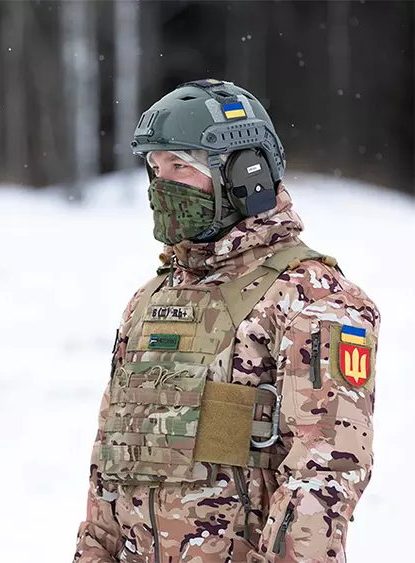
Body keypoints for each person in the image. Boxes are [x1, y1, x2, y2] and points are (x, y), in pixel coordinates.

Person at [74, 79, 379, 563]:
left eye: (181, 166)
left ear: (247, 175)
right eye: (156, 169)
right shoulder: (149, 300)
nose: (163, 185)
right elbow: (109, 470)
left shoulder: (311, 299)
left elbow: (324, 475)